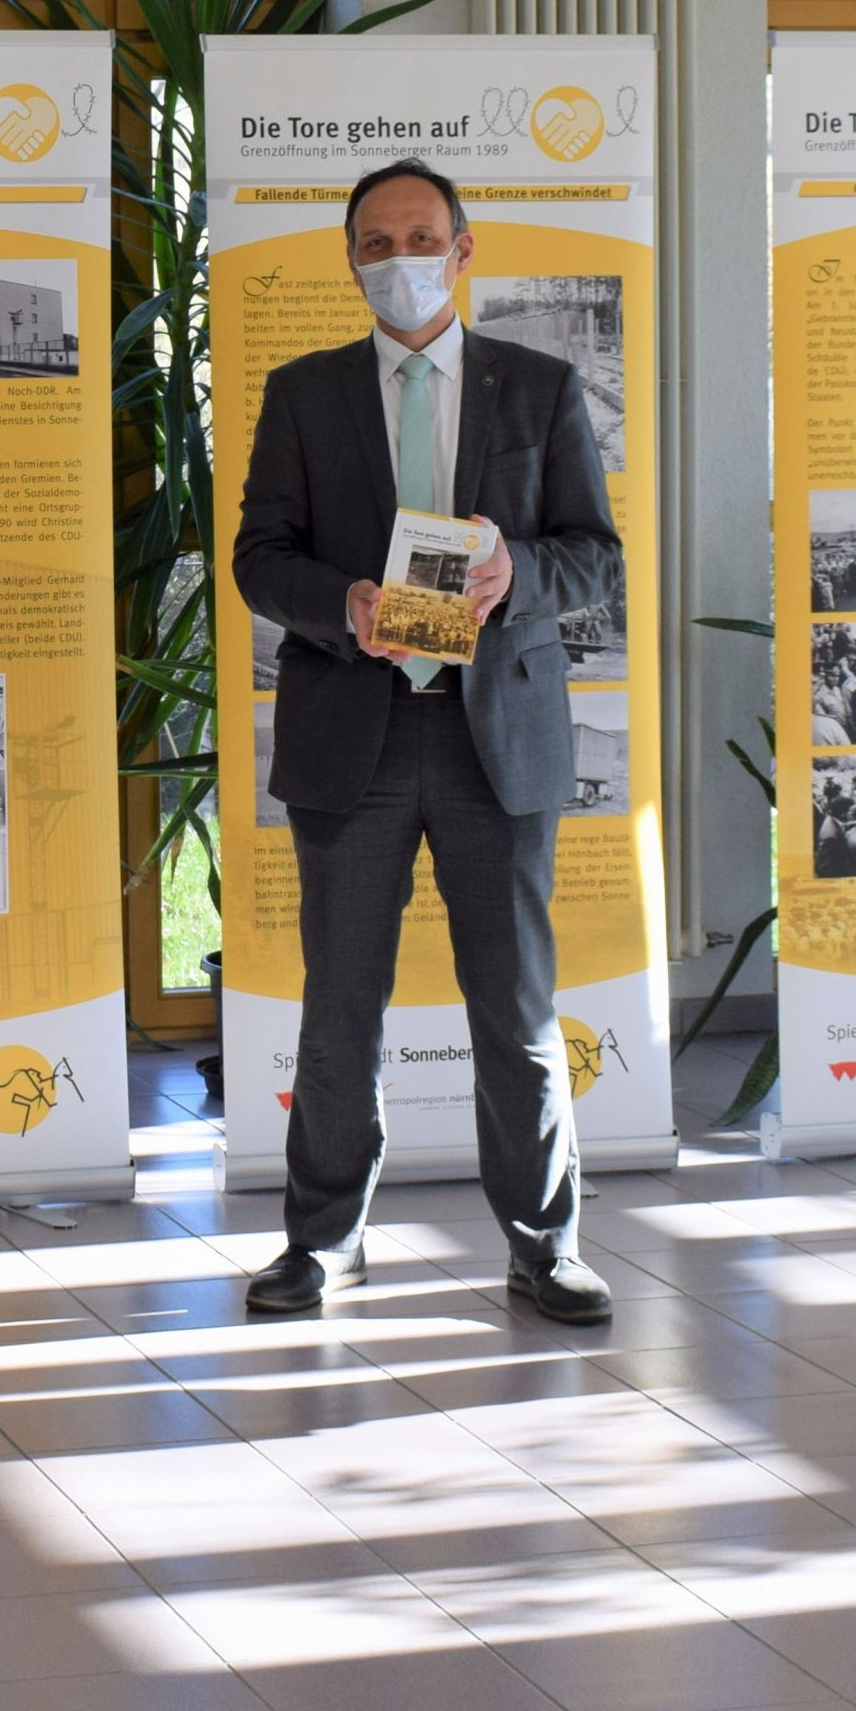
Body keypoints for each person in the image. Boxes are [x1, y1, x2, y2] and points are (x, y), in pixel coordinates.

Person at [228, 158, 621, 1323]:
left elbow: (593, 554)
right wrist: (338, 602)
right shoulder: (302, 392)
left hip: (490, 734)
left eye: (419, 238)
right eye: (373, 243)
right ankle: (323, 1239)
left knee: (515, 1003)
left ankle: (544, 1243)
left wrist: (517, 572)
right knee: (340, 1000)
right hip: (351, 729)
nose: (397, 260)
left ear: (462, 248)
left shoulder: (537, 389)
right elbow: (259, 554)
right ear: (350, 259)